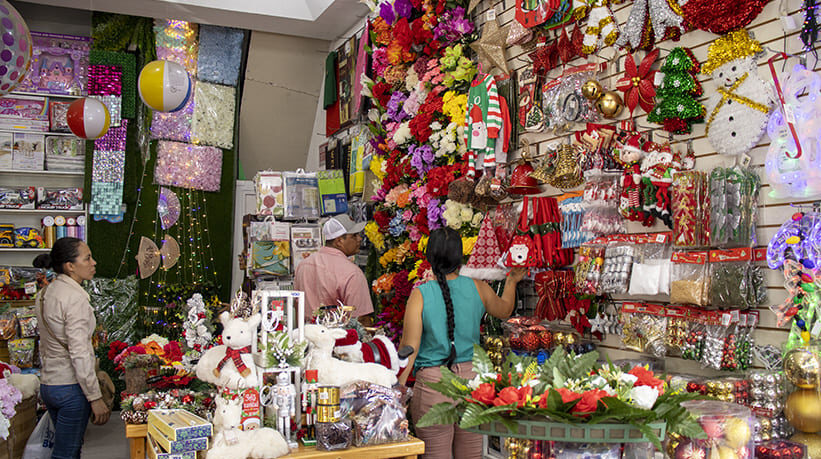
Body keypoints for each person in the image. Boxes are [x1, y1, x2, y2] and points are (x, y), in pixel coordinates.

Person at [399, 227, 526, 459]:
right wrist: (512, 281)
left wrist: (396, 389)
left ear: (430, 257)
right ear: (460, 258)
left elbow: (410, 350)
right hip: (473, 382)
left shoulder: (420, 295)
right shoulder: (478, 287)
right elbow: (505, 310)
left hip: (434, 385)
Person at [33, 237, 110, 459]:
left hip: (49, 385)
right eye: (87, 258)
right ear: (70, 266)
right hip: (70, 387)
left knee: (67, 449)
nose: (93, 262)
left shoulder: (45, 293)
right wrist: (95, 397)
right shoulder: (74, 298)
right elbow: (80, 352)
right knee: (66, 453)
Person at [294, 214, 374, 324]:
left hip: (306, 336)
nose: (360, 239)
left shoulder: (303, 265)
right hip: (338, 339)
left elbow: (296, 305)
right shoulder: (352, 272)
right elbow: (361, 319)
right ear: (339, 241)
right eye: (354, 235)